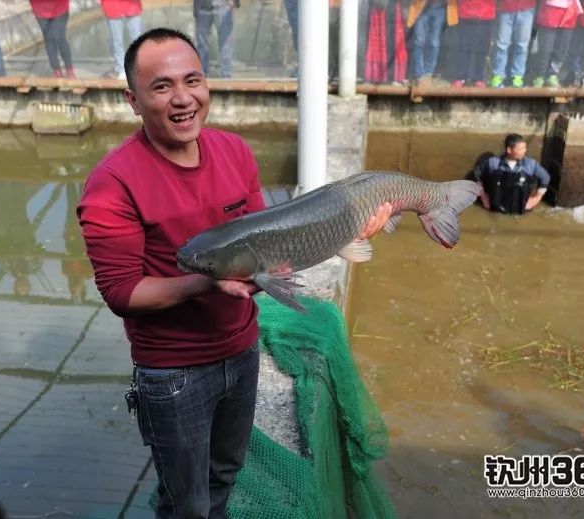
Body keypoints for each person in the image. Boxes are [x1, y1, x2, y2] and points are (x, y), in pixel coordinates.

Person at [76, 27, 392, 517]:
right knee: (188, 504)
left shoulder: (234, 150)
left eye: (193, 81)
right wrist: (206, 281)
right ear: (133, 101)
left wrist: (347, 231)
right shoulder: (111, 184)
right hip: (173, 374)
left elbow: (274, 248)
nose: (183, 99)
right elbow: (121, 292)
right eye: (161, 87)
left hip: (242, 352)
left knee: (225, 476)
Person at [471, 134, 551, 214]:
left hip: (521, 211)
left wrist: (537, 197)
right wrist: (483, 196)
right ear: (509, 150)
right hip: (494, 210)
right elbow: (477, 174)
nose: (524, 151)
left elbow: (546, 178)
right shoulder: (493, 163)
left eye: (525, 148)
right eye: (520, 149)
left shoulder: (530, 164)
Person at [407, 0, 458, 88]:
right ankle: (419, 74)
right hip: (420, 6)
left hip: (440, 7)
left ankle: (428, 73)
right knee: (419, 40)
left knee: (434, 42)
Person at [531, 0, 581, 87]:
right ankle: (540, 76)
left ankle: (552, 75)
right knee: (545, 48)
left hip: (569, 11)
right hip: (549, 9)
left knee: (562, 47)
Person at [489, 0, 536, 88]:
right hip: (504, 8)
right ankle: (498, 75)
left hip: (527, 9)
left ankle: (517, 76)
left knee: (522, 46)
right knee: (501, 44)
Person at [452, 0, 497, 87]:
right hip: (465, 12)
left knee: (482, 49)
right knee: (463, 47)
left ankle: (479, 78)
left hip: (485, 14)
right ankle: (461, 77)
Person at [29, 0, 75, 78]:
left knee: (59, 38)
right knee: (49, 39)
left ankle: (69, 69)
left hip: (59, 7)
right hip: (40, 10)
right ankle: (56, 70)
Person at [193, 0, 238, 78]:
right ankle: (202, 73)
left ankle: (226, 73)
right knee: (202, 44)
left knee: (225, 43)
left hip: (223, 7)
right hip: (203, 8)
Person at [100, 0, 142, 79]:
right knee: (117, 41)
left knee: (137, 40)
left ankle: (138, 67)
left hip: (133, 6)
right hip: (112, 6)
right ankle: (121, 68)